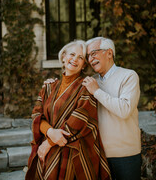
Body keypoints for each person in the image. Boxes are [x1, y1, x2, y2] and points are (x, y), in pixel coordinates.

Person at [25, 40, 111, 180]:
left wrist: (49, 142)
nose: (75, 59)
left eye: (80, 57)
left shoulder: (85, 88)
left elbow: (79, 121)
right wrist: (50, 132)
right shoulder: (48, 87)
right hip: (47, 154)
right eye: (72, 54)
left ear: (84, 65)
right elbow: (36, 114)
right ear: (63, 57)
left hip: (73, 155)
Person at [82, 37, 141, 180]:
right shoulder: (91, 81)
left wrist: (96, 91)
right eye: (88, 55)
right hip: (99, 155)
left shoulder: (128, 76)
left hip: (126, 155)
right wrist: (51, 84)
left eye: (94, 53)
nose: (90, 59)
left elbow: (125, 110)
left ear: (109, 53)